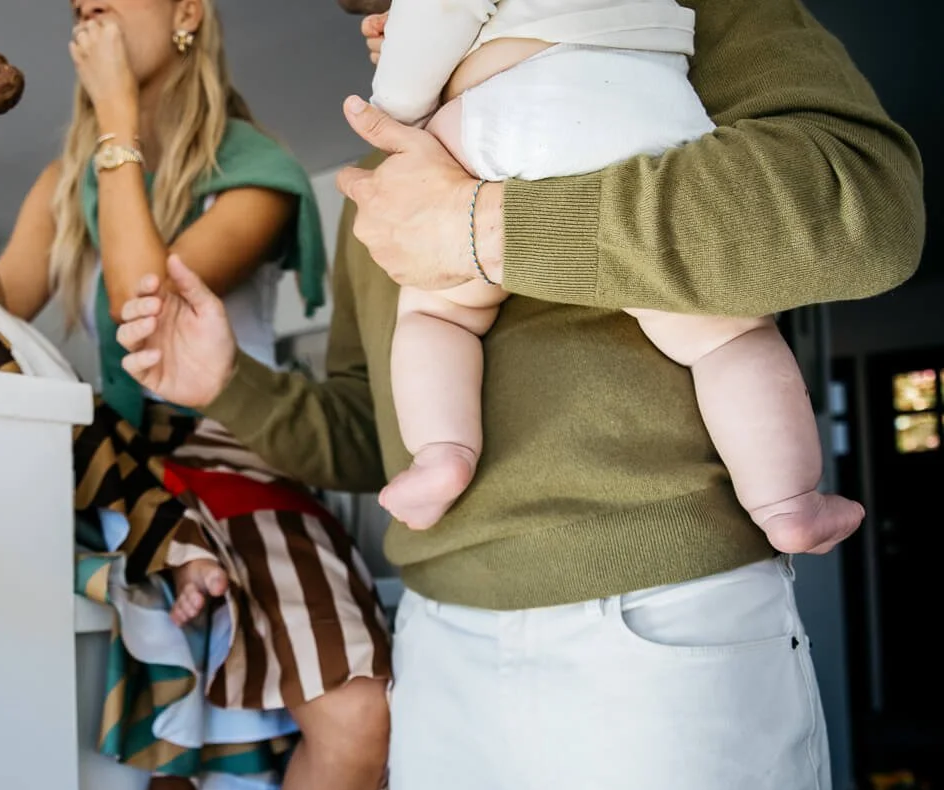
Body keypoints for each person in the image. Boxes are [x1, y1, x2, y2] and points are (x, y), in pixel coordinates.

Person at [115, 0, 925, 790]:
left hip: (657, 627)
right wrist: (224, 382)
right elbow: (375, 436)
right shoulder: (383, 162)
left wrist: (479, 227)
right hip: (443, 650)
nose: (378, 26)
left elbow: (863, 208)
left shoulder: (664, 12)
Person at [0, 2, 391, 790]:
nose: (86, 6)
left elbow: (155, 320)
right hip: (113, 460)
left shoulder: (253, 163)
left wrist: (118, 125)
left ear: (187, 15)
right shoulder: (73, 170)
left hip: (238, 448)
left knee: (355, 713)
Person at [363, 0, 864, 553]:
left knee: (439, 313)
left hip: (514, 105)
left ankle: (440, 454)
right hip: (647, 108)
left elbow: (439, 15)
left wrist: (397, 100)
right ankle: (787, 503)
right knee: (729, 338)